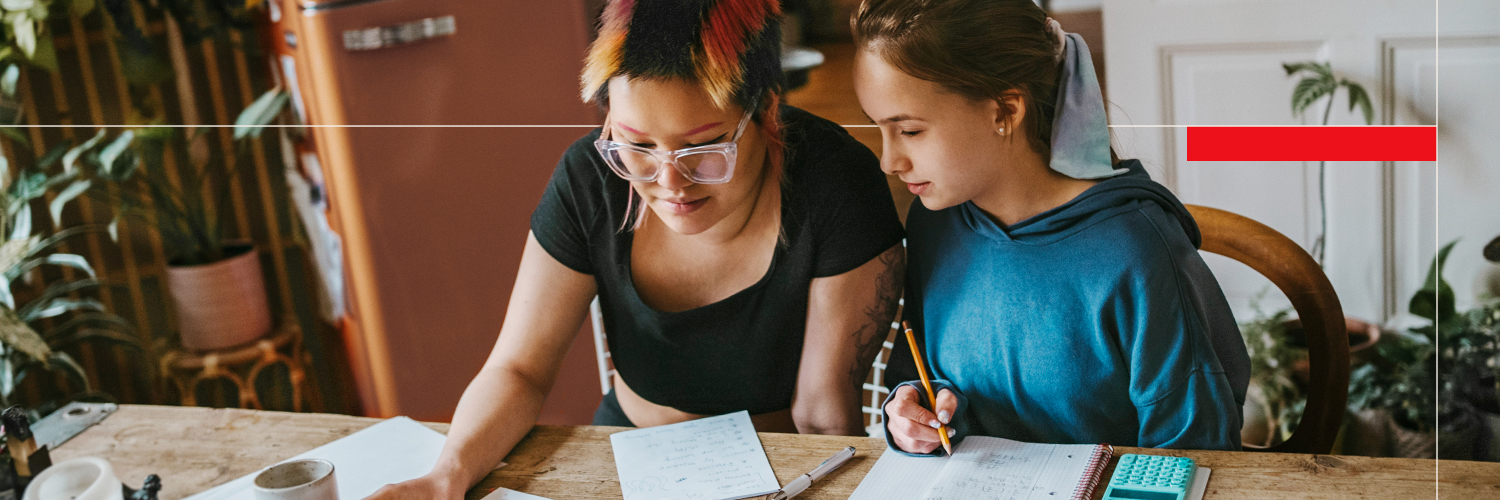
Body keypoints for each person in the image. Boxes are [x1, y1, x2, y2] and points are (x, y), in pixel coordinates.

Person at [367, 0, 905, 497]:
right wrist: (446, 477)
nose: (670, 182)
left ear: (764, 107)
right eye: (637, 146)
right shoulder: (590, 179)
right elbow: (519, 369)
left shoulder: (834, 184)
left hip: (783, 473)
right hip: (625, 458)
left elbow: (821, 416)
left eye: (702, 148)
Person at [850, 0, 1251, 455]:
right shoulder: (933, 222)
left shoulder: (1137, 252)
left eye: (910, 131)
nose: (888, 161)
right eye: (878, 129)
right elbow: (916, 370)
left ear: (1004, 111)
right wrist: (910, 414)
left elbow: (1197, 451)